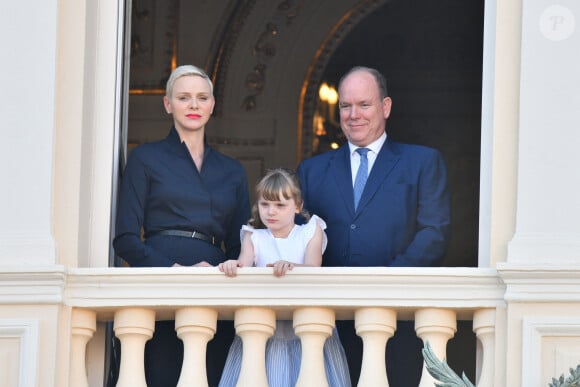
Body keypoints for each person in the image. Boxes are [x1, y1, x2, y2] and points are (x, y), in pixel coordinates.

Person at [297, 66, 451, 386]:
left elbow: (433, 233)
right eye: (345, 106)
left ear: (386, 107)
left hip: (397, 318)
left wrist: (386, 281)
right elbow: (294, 234)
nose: (354, 115)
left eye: (364, 105)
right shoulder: (311, 171)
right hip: (328, 325)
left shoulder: (422, 162)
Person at [113, 65, 251, 387]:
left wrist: (228, 268)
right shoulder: (145, 158)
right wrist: (175, 269)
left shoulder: (231, 170)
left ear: (212, 105)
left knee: (210, 374)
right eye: (184, 97)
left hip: (215, 288)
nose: (193, 105)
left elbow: (241, 243)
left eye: (201, 98)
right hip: (159, 286)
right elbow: (125, 239)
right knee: (162, 372)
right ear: (167, 104)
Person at [217, 168, 351, 387]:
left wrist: (292, 266)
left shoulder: (310, 231)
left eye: (280, 205)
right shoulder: (253, 236)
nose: (271, 211)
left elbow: (313, 266)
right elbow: (244, 265)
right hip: (265, 329)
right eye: (265, 204)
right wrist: (233, 264)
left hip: (306, 326)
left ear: (297, 206)